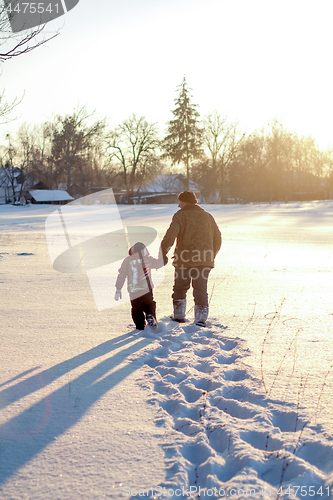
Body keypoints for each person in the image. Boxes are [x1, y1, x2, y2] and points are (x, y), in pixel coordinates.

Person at [161, 191, 222, 327]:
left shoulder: (180, 216)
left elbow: (170, 237)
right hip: (204, 260)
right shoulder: (208, 217)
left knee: (180, 288)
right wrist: (210, 256)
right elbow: (218, 238)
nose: (178, 205)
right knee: (200, 289)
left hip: (184, 260)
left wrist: (163, 253)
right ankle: (200, 320)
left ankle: (179, 317)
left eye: (180, 202)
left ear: (186, 202)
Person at [114, 242, 163, 331]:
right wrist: (163, 255)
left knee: (137, 307)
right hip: (147, 288)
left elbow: (122, 274)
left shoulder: (127, 261)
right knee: (149, 304)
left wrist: (118, 288)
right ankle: (150, 316)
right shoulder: (148, 259)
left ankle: (139, 326)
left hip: (134, 289)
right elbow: (159, 263)